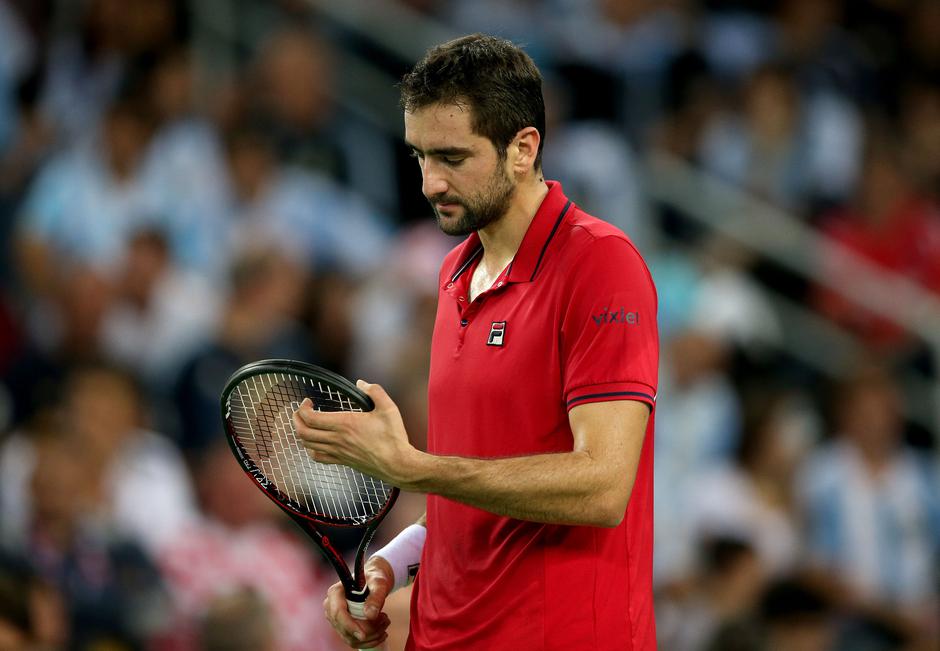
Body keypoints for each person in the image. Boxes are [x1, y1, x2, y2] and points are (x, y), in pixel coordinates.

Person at [293, 34, 659, 650]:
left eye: (453, 158)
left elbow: (602, 486)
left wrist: (412, 467)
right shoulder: (454, 273)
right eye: (419, 157)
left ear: (523, 148)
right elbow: (465, 497)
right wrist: (392, 564)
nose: (431, 182)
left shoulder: (602, 266)